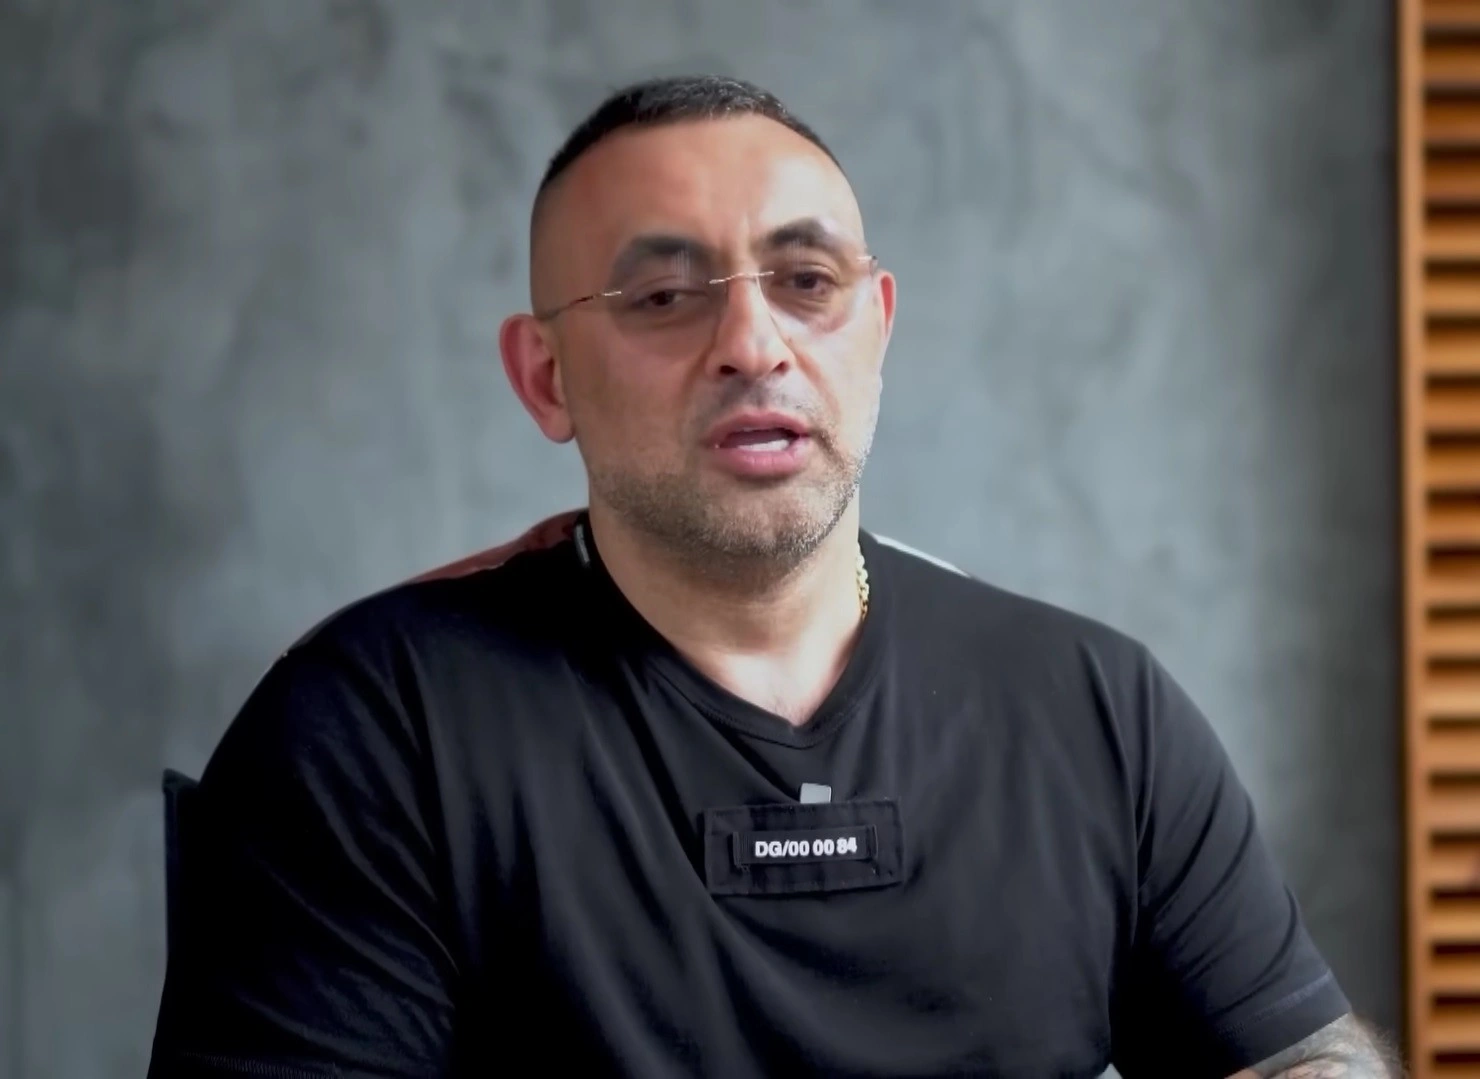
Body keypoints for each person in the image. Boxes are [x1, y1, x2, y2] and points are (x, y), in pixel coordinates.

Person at [147, 75, 1396, 1078]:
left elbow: (1298, 1053)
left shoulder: (1093, 705)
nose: (752, 343)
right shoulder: (372, 729)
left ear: (878, 326)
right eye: (661, 295)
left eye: (806, 284)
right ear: (545, 377)